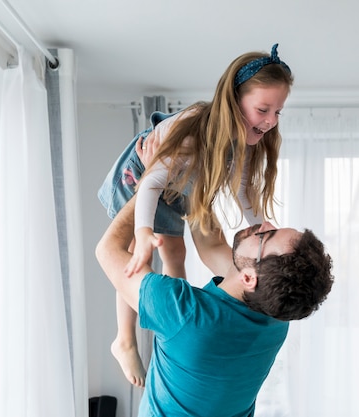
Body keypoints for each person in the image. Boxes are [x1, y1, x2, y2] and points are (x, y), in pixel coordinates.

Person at [97, 44, 294, 386]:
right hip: (143, 174)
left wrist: (257, 222)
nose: (270, 121)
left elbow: (244, 186)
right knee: (133, 254)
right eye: (264, 109)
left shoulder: (243, 139)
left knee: (176, 252)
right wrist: (143, 229)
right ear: (233, 101)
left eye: (278, 112)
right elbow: (152, 181)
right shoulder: (194, 131)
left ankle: (173, 320)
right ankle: (124, 339)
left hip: (180, 183)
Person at [95, 196, 334, 417]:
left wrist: (150, 183)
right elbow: (211, 245)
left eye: (265, 236)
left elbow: (107, 251)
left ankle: (124, 342)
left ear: (249, 279)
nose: (265, 223)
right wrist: (195, 182)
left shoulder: (188, 317)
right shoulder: (276, 314)